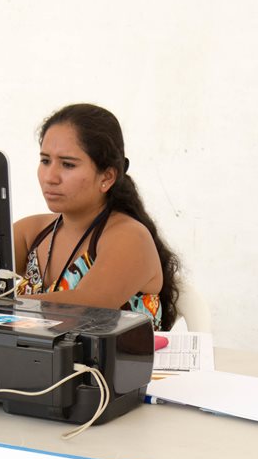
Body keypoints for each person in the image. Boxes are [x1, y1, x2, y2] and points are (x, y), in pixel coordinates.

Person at [14, 104, 181, 331]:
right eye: (45, 161)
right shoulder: (31, 231)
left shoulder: (130, 237)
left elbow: (87, 308)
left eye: (68, 164)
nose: (50, 177)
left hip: (112, 367)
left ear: (107, 176)